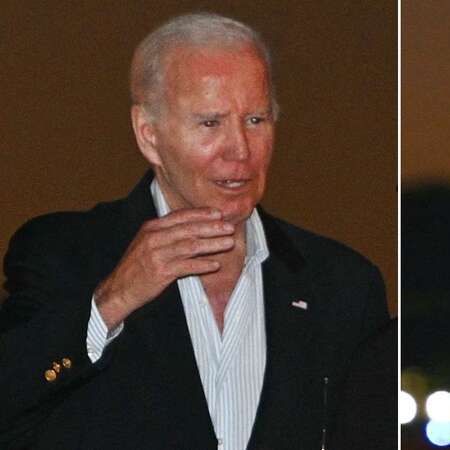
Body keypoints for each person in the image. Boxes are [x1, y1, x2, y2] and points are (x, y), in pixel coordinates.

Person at [0, 13, 391, 450]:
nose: (240, 150)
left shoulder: (343, 285)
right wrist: (110, 303)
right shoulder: (63, 254)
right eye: (211, 123)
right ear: (149, 135)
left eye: (256, 120)